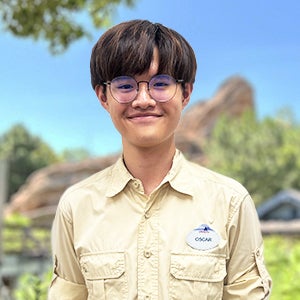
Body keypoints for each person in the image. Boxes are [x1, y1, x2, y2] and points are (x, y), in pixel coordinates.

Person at [48, 19, 272, 299]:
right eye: (125, 85)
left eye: (161, 83)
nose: (143, 99)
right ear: (103, 97)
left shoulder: (230, 202)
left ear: (186, 93)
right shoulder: (76, 206)